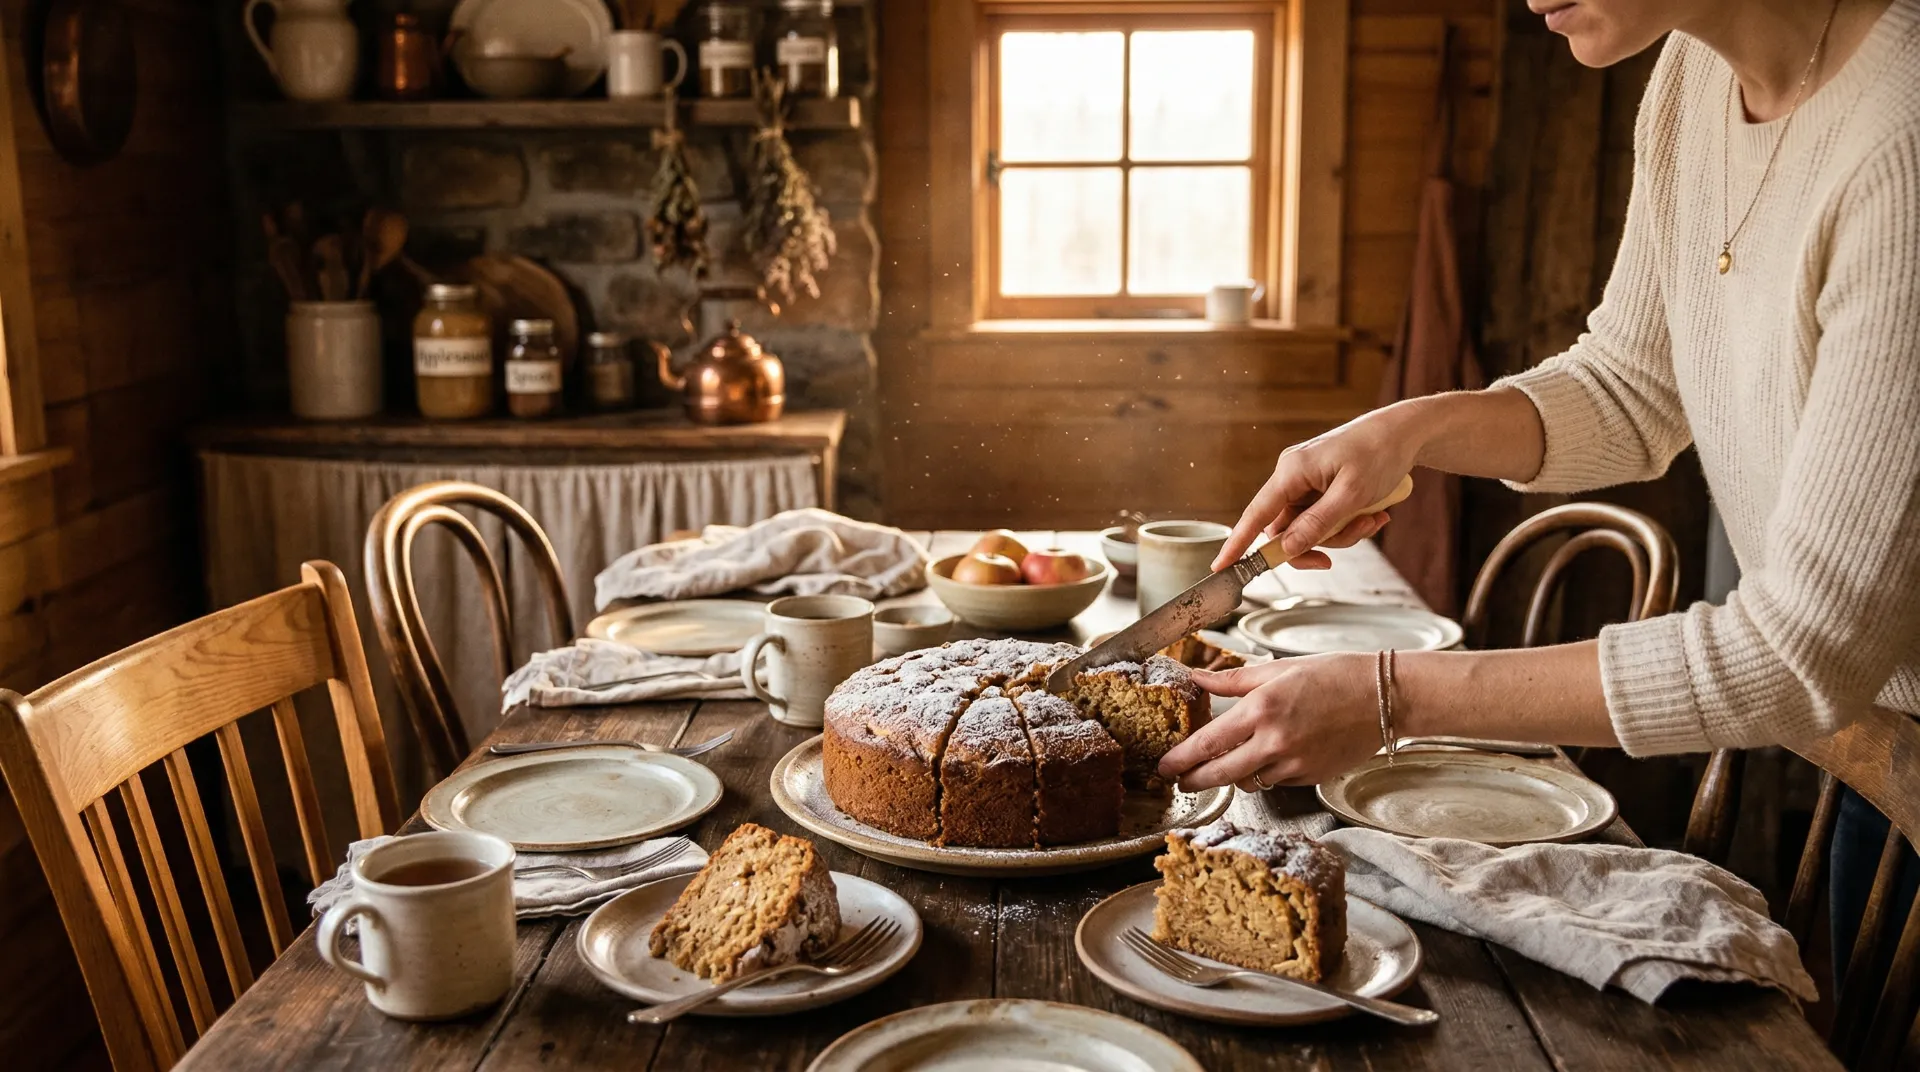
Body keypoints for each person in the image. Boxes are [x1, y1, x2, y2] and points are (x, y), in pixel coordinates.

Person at [1154, 0, 1920, 983]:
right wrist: (1409, 430)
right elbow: (1633, 388)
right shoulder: (1689, 78)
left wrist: (1389, 696)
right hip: (1876, 762)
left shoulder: (1899, 142)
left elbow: (1799, 650)